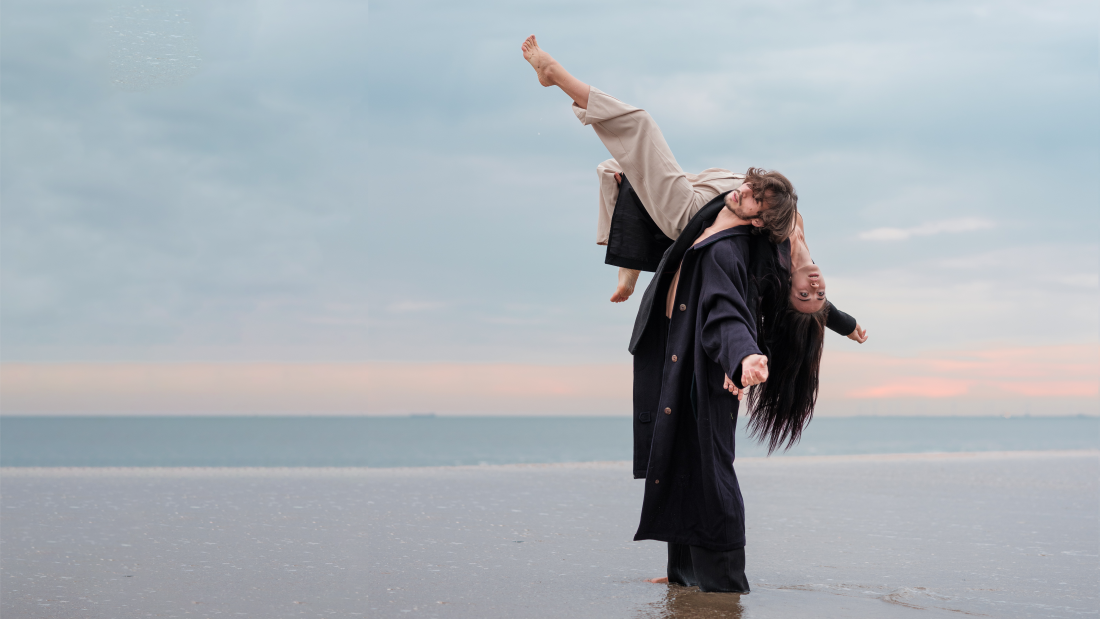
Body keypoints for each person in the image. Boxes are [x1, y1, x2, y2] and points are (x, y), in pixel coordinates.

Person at [520, 34, 867, 593]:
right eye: (815, 289)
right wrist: (843, 322)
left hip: (689, 210)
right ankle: (631, 260)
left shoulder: (755, 254)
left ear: (759, 221)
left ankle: (554, 75)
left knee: (638, 130)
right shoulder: (790, 232)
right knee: (616, 170)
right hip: (704, 196)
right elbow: (812, 303)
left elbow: (733, 311)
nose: (814, 286)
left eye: (808, 294)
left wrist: (746, 358)